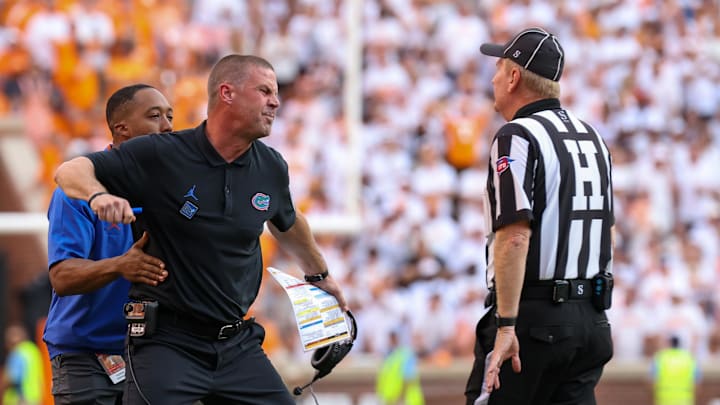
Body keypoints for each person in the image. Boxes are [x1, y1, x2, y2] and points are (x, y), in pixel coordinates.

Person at [53, 54, 349, 405]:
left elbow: (287, 219)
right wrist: (100, 201)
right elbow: (69, 174)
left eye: (170, 116)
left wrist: (320, 275)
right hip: (140, 345)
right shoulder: (159, 159)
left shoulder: (270, 166)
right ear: (227, 93)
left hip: (233, 340)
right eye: (265, 90)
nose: (276, 101)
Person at [464, 27, 615, 405]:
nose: (494, 77)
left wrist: (506, 326)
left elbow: (515, 235)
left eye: (499, 67)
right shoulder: (593, 136)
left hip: (535, 322)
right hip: (591, 320)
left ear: (514, 77)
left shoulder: (516, 135)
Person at [43, 83, 173, 404]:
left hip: (152, 352)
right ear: (121, 128)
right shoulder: (78, 192)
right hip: (86, 354)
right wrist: (121, 265)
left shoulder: (172, 187)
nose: (168, 126)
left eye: (171, 116)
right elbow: (62, 277)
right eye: (155, 116)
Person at [376, 330, 425, 405]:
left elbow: (409, 379)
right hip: (392, 400)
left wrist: (399, 399)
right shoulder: (391, 357)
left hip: (406, 401)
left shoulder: (406, 355)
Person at [1, 324, 44, 405]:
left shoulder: (17, 352)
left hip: (21, 399)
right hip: (36, 399)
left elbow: (13, 378)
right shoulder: (33, 350)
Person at [651, 335, 699, 405]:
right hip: (685, 399)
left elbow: (652, 380)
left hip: (664, 399)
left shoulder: (660, 357)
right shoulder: (689, 358)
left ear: (669, 344)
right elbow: (697, 382)